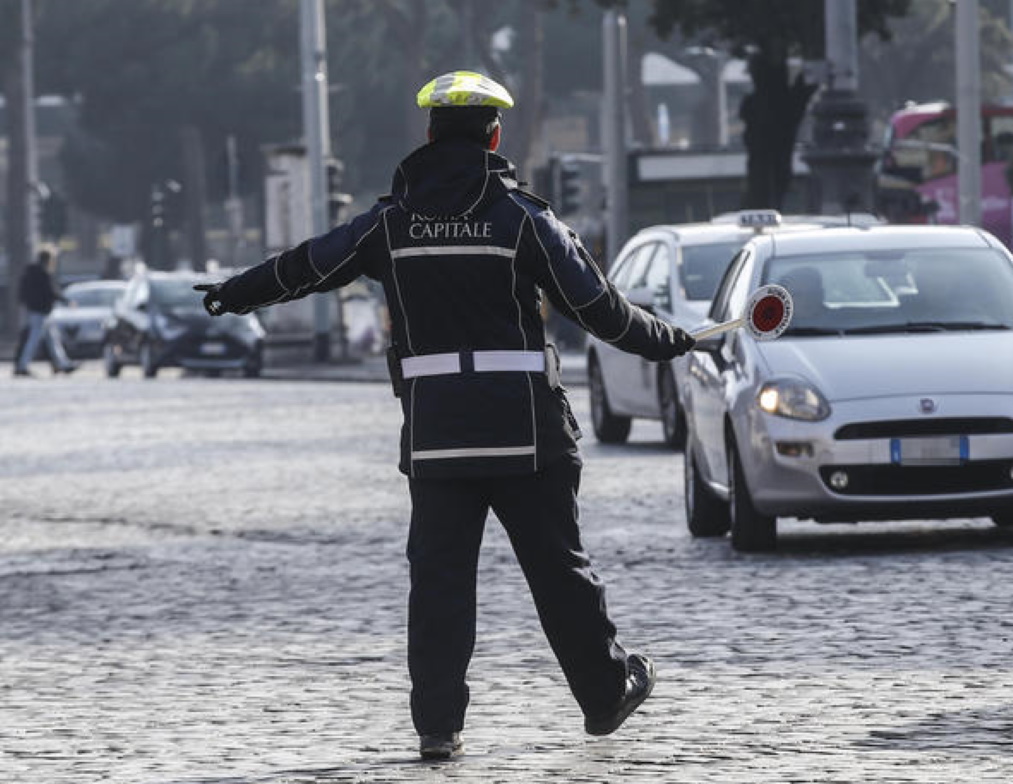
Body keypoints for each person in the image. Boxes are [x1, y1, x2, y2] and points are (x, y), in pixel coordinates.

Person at [194, 71, 694, 760]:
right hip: (526, 434)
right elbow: (598, 310)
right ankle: (606, 695)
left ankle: (438, 727)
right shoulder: (524, 219)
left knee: (440, 584)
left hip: (438, 437)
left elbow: (309, 265)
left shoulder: (390, 223)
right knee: (559, 572)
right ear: (495, 135)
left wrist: (234, 292)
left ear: (429, 133)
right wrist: (671, 340)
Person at [14, 247, 76, 377]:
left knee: (53, 339)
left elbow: (22, 293)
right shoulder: (42, 274)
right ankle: (22, 366)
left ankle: (62, 364)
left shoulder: (30, 272)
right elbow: (50, 292)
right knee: (34, 340)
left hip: (37, 311)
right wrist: (66, 300)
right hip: (40, 312)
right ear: (48, 260)